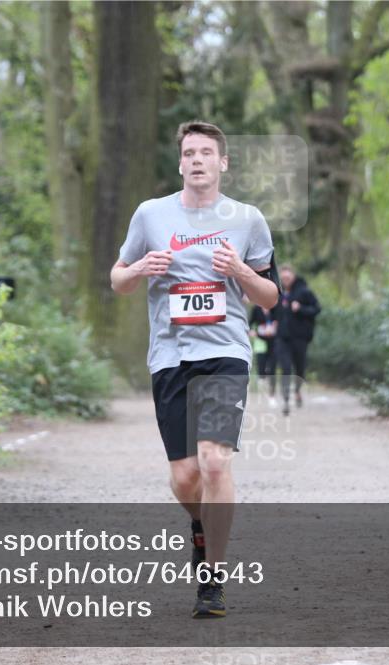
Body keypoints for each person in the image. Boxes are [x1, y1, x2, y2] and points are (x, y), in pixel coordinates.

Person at [110, 120, 279, 618]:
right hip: (169, 357)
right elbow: (118, 279)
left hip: (226, 351)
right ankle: (202, 525)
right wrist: (140, 269)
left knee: (214, 462)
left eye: (207, 152)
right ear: (180, 162)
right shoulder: (151, 215)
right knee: (185, 477)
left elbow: (269, 298)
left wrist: (241, 272)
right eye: (190, 153)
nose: (198, 160)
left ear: (223, 162)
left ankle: (213, 579)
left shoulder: (247, 219)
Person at [276, 264, 320, 416]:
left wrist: (300, 308)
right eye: (283, 278)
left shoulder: (304, 291)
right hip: (282, 338)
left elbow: (316, 309)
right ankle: (286, 400)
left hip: (300, 338)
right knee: (286, 368)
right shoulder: (278, 293)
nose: (286, 280)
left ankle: (297, 391)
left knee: (299, 368)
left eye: (288, 277)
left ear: (293, 276)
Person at [249, 301, 282, 402]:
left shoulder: (276, 308)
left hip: (274, 341)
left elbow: (281, 320)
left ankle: (272, 395)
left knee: (272, 369)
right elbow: (249, 323)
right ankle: (261, 393)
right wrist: (252, 331)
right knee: (261, 369)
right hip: (261, 341)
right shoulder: (256, 309)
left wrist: (275, 326)